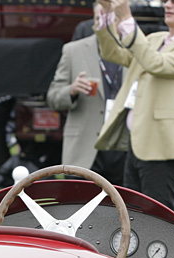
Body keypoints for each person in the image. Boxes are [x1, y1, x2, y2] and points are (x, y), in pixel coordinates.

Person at [93, 0, 174, 211]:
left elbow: (156, 63)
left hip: (164, 147)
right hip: (138, 142)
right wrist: (108, 16)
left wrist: (127, 18)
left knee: (158, 220)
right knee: (131, 215)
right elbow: (114, 54)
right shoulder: (155, 39)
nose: (168, 5)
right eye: (165, 1)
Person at [46, 14, 126, 185]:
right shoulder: (73, 50)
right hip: (85, 148)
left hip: (123, 146)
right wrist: (71, 90)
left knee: (125, 209)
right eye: (100, 18)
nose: (105, 23)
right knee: (80, 208)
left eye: (112, 18)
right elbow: (53, 97)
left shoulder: (136, 50)